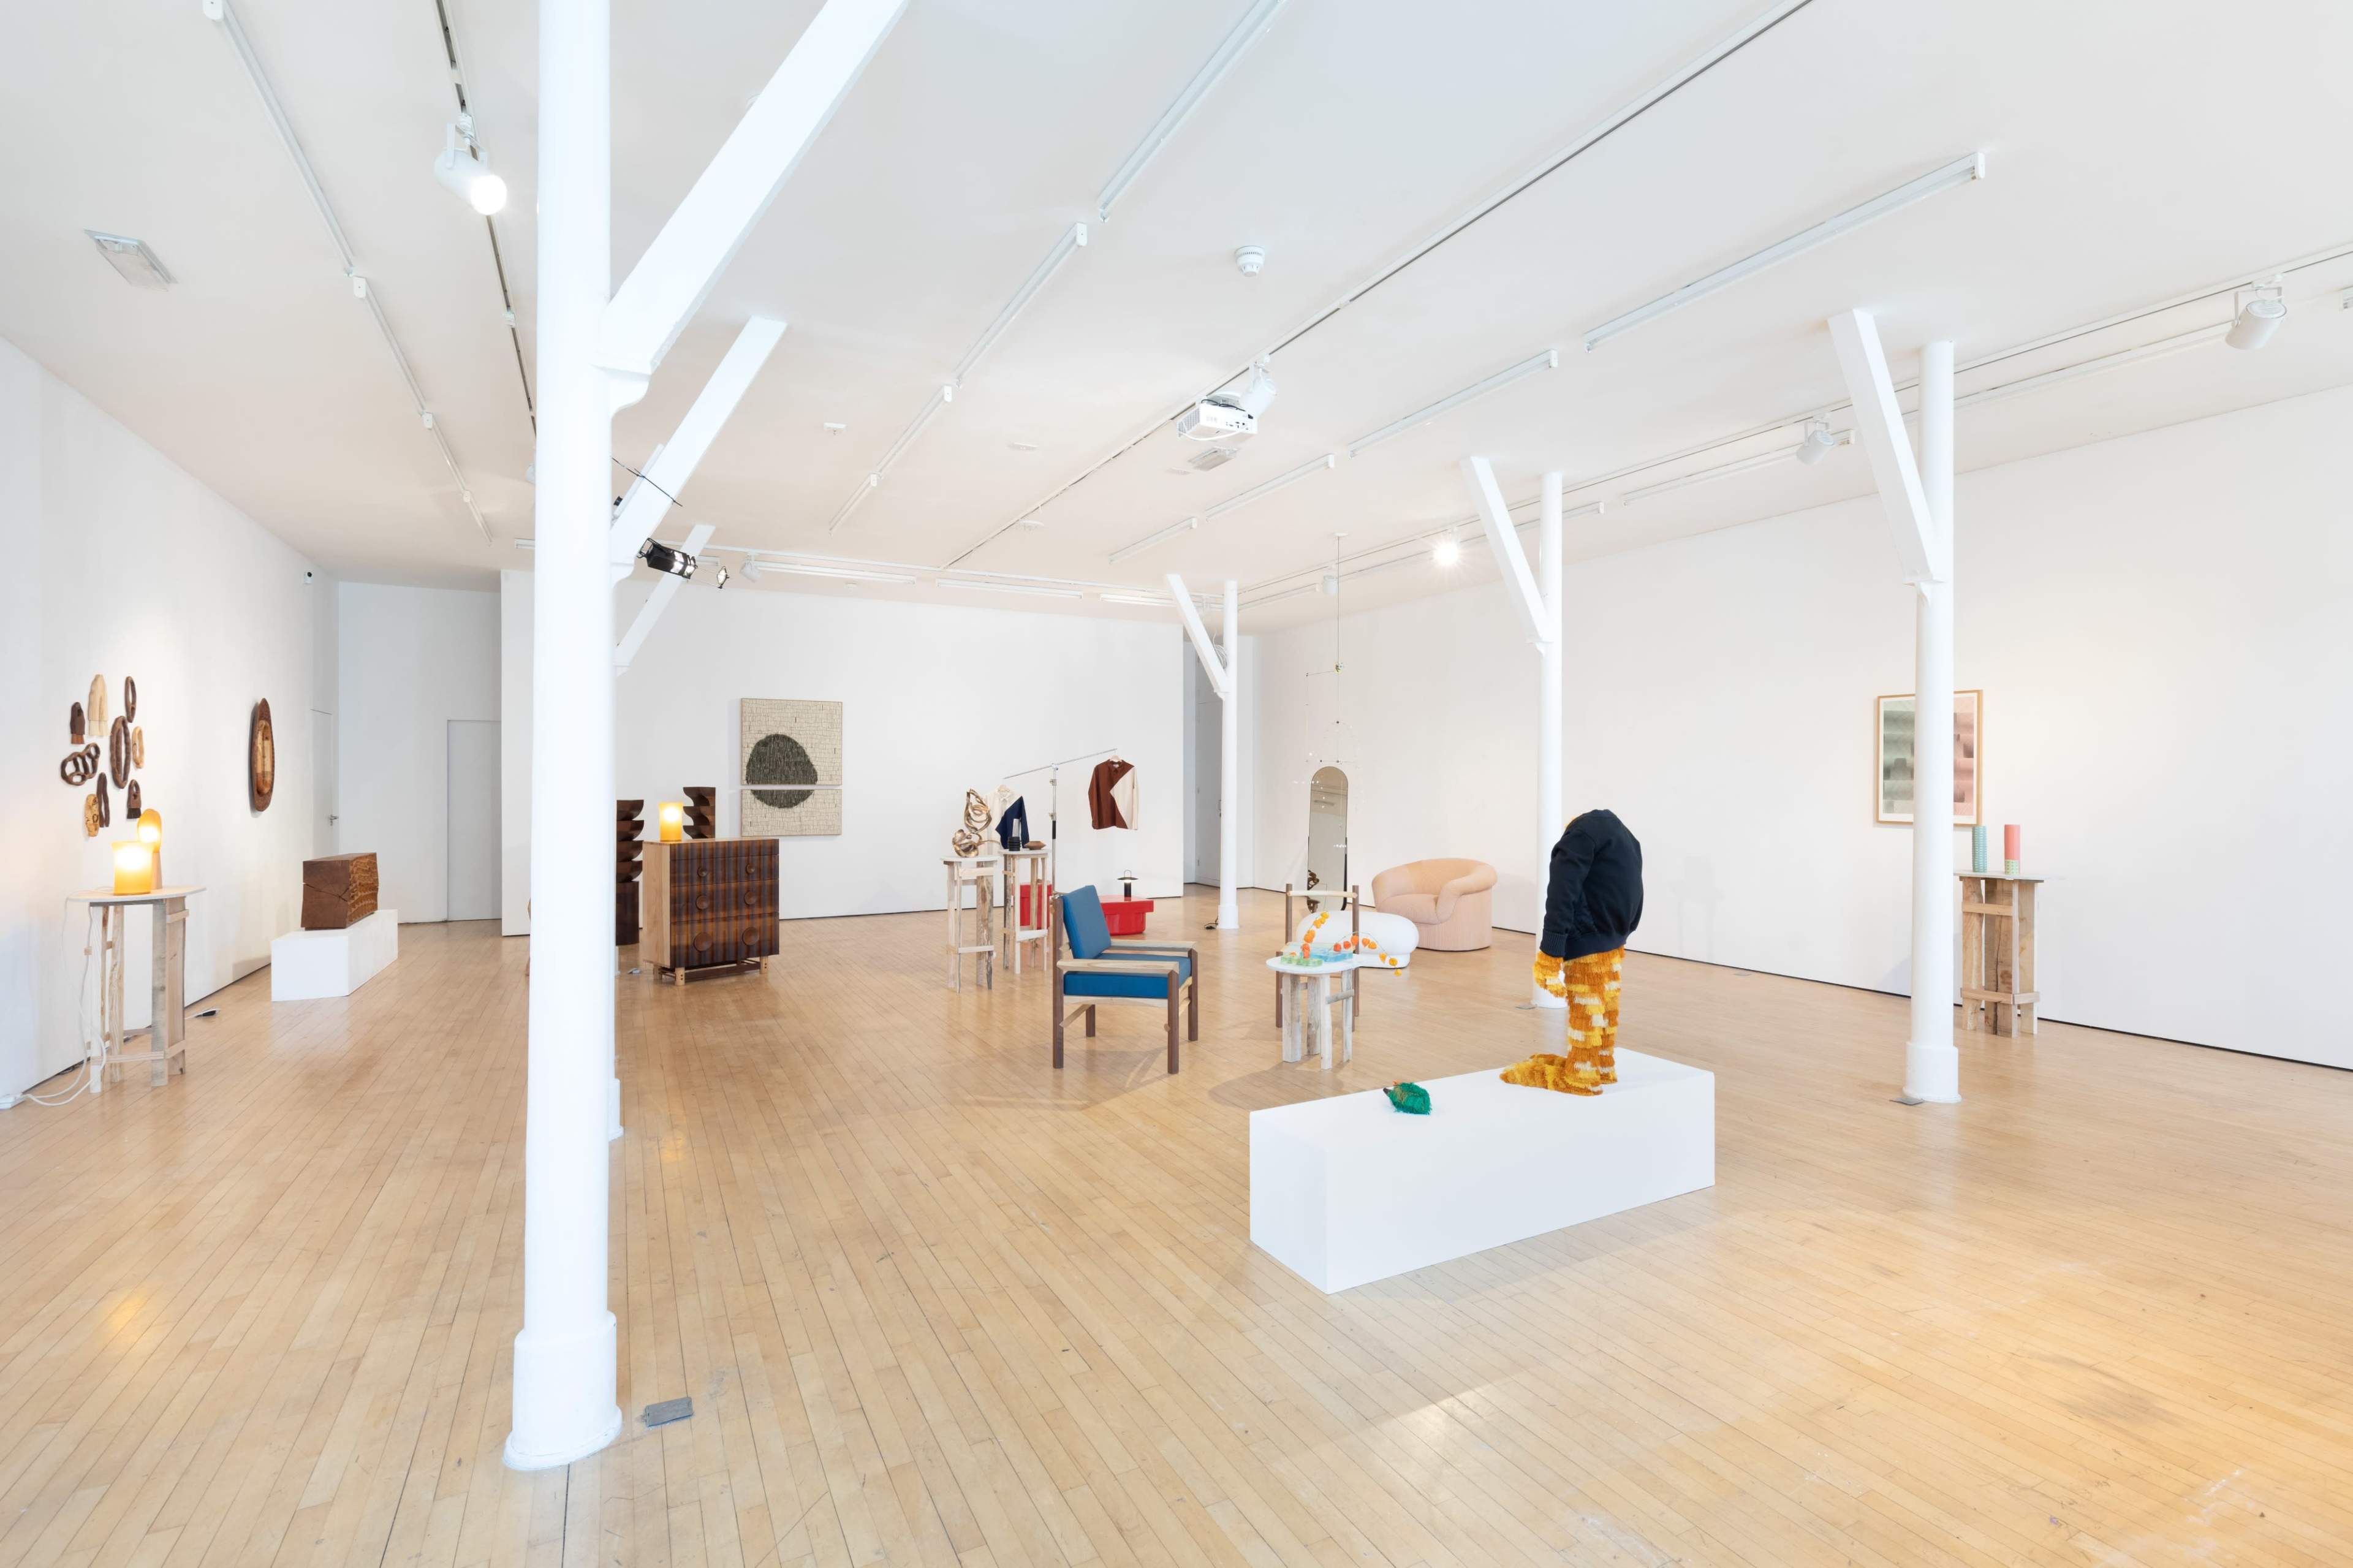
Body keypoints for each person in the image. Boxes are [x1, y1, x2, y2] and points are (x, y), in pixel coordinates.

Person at [1532, 809, 1643, 1094]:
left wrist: (1550, 952)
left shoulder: (1578, 838)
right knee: (1605, 1010)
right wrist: (1625, 930)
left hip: (1587, 941)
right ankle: (1603, 1067)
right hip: (1614, 941)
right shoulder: (1624, 836)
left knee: (1587, 1010)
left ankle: (1581, 1076)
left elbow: (1561, 892)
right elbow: (1635, 886)